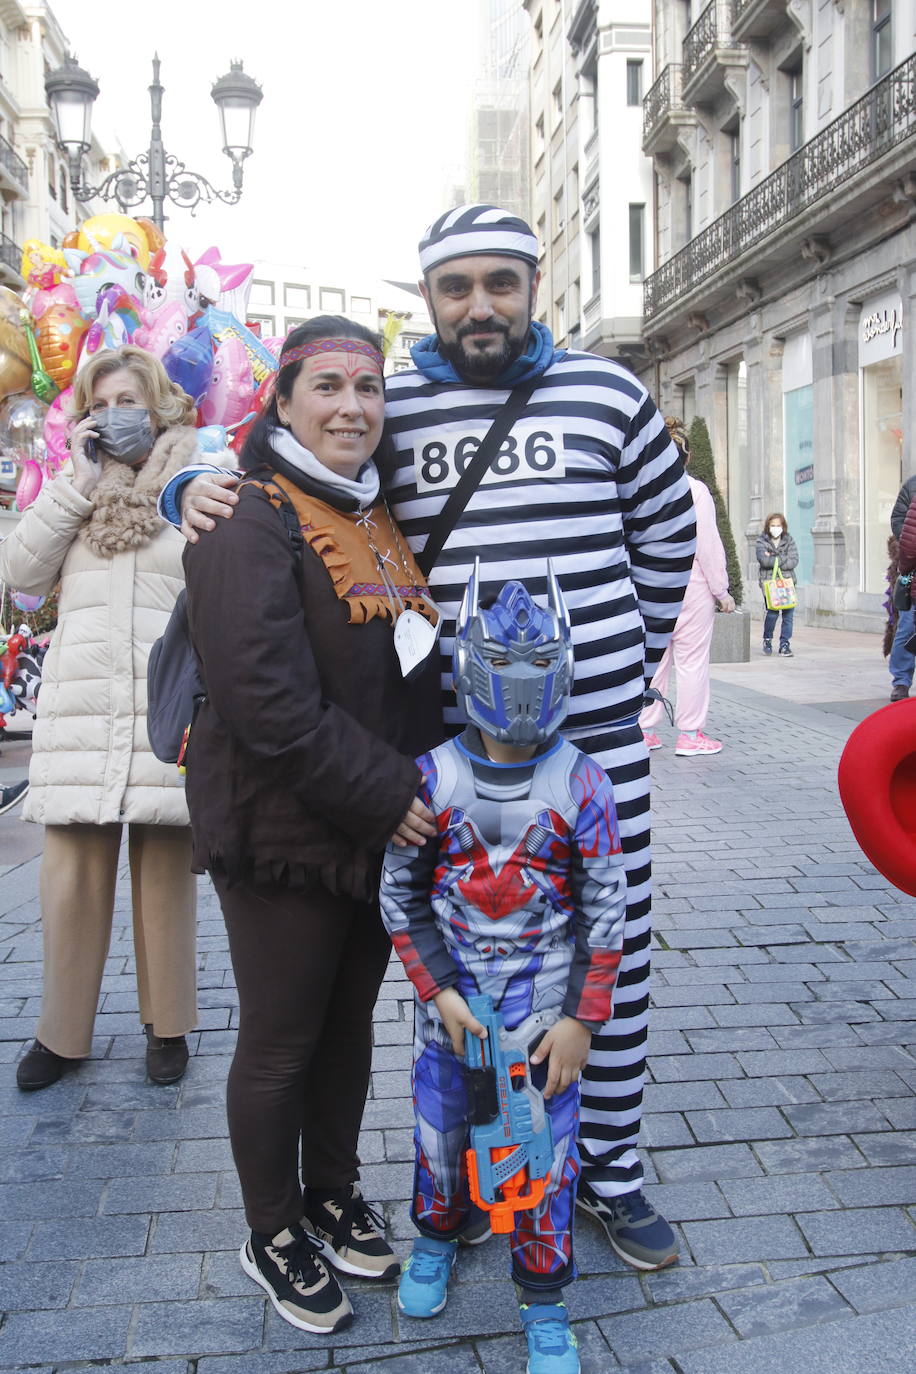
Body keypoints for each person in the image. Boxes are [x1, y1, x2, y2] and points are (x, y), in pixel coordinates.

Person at [163, 204, 696, 1272]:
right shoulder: (390, 396)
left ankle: (612, 1171)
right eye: (457, 288)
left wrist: (621, 669)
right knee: (447, 955)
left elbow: (667, 536)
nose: (481, 306)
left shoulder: (609, 391)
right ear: (428, 300)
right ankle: (457, 1172)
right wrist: (187, 486)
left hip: (591, 745)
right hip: (450, 750)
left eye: (501, 282)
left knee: (609, 947)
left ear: (535, 284)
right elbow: (291, 462)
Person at [181, 317, 443, 1335]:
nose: (352, 407)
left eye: (369, 388)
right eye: (327, 386)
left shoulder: (375, 512)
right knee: (283, 1039)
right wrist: (391, 797)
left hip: (374, 824)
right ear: (282, 400)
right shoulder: (245, 518)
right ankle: (271, 1228)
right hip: (284, 826)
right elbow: (265, 702)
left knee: (345, 1031)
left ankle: (331, 1193)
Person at [381, 567, 627, 1374]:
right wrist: (441, 993)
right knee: (439, 1138)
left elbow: (606, 907)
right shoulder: (432, 777)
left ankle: (545, 1299)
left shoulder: (580, 780)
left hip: (543, 1023)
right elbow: (400, 895)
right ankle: (436, 1238)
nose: (520, 696)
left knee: (547, 1160)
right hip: (450, 1016)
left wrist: (582, 1022)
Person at [0, 345, 201, 1091]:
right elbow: (19, 576)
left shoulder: (192, 484)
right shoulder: (69, 489)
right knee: (71, 879)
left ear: (160, 406)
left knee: (164, 874)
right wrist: (77, 485)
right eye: (102, 403)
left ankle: (170, 1024)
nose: (117, 417)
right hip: (82, 710)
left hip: (164, 707)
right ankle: (61, 1035)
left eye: (130, 401)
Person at [640, 418, 735, 756]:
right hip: (691, 586)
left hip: (650, 586)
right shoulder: (695, 490)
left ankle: (645, 729)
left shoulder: (645, 491)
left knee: (655, 659)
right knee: (692, 661)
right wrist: (722, 591)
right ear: (687, 457)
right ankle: (690, 734)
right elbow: (708, 545)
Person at [888, 475, 916, 700]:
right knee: (906, 629)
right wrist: (906, 568)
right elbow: (901, 524)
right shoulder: (912, 485)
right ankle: (901, 681)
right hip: (914, 575)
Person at [756, 513, 798, 656]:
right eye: (773, 525)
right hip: (769, 584)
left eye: (778, 525)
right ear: (768, 526)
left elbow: (794, 560)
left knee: (788, 615)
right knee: (772, 613)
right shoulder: (762, 541)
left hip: (787, 583)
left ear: (783, 526)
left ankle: (784, 644)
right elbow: (763, 561)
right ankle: (767, 639)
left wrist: (773, 558)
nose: (775, 528)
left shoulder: (789, 540)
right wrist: (782, 558)